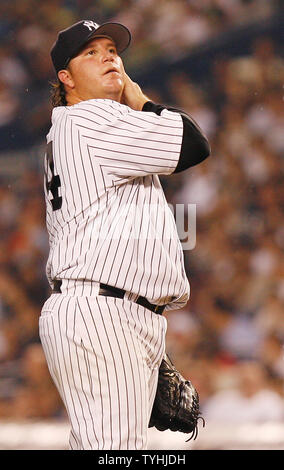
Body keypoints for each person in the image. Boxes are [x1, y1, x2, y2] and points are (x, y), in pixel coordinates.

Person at [39, 19, 210, 450]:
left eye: (112, 50)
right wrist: (138, 96)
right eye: (91, 53)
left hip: (111, 309)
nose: (108, 57)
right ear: (66, 77)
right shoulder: (91, 118)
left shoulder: (87, 128)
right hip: (103, 312)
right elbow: (193, 143)